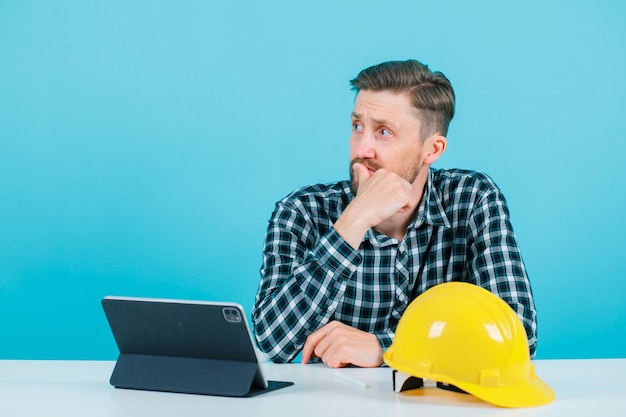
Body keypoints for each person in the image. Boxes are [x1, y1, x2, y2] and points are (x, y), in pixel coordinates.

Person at [252, 59, 537, 368]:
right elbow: (271, 342)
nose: (362, 149)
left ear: (432, 150)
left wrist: (388, 348)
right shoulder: (301, 211)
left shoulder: (472, 199)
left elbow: (518, 336)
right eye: (357, 127)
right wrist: (353, 221)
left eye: (383, 132)